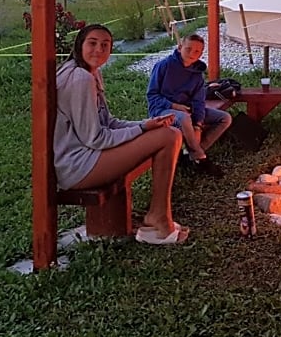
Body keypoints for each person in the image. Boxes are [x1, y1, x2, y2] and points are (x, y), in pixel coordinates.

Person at [55, 24, 188, 245]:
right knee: (169, 137)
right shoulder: (80, 79)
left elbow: (108, 122)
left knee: (167, 133)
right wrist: (141, 130)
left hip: (88, 156)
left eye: (105, 45)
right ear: (79, 45)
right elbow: (96, 138)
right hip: (78, 166)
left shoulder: (90, 73)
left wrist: (145, 124)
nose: (99, 49)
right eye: (92, 43)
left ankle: (158, 217)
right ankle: (158, 218)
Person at [147, 33, 231, 177]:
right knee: (184, 118)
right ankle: (201, 158)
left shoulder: (197, 74)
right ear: (180, 48)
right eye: (188, 49)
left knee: (225, 118)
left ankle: (190, 154)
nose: (192, 53)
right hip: (163, 110)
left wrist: (198, 124)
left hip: (188, 111)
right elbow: (152, 95)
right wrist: (174, 106)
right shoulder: (164, 66)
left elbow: (198, 101)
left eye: (197, 51)